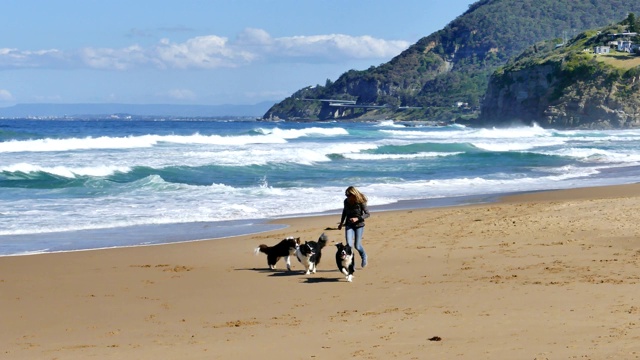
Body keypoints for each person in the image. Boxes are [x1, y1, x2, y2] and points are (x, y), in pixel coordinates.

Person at [338, 186, 370, 268]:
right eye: (346, 195)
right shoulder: (346, 201)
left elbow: (367, 214)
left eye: (348, 195)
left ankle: (364, 256)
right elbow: (344, 212)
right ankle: (352, 264)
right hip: (349, 225)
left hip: (359, 225)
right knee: (349, 245)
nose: (347, 197)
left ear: (354, 194)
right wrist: (341, 223)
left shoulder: (361, 201)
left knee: (357, 245)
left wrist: (357, 218)